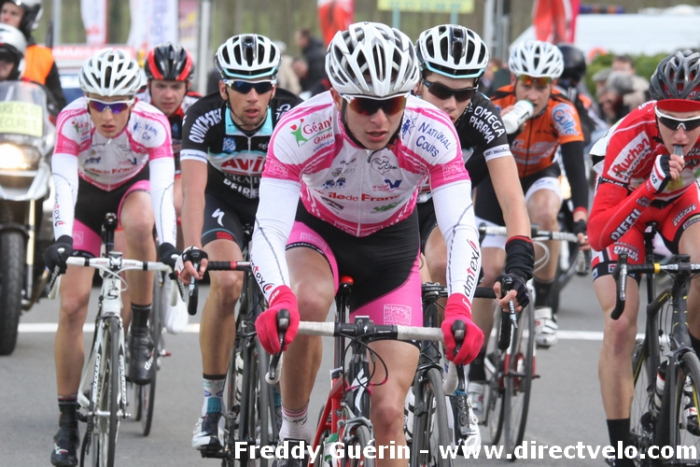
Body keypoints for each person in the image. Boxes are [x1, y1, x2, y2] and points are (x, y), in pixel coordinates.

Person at [244, 21, 512, 466]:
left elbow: (461, 227)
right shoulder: (300, 128)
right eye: (365, 105)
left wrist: (460, 305)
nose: (380, 119)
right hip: (319, 233)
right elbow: (269, 227)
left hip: (391, 247)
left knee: (389, 413)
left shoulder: (431, 131)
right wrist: (277, 296)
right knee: (306, 301)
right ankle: (294, 428)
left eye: (393, 104)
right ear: (337, 96)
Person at [43, 48, 177, 467]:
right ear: (86, 100)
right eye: (98, 104)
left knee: (140, 223)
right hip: (84, 199)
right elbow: (64, 183)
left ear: (133, 102)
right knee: (72, 306)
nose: (106, 115)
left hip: (131, 191)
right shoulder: (72, 120)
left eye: (117, 106)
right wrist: (62, 239)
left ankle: (140, 331)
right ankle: (67, 421)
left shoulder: (152, 123)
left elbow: (163, 192)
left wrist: (168, 244)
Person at [174, 33, 302, 454]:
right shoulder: (203, 116)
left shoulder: (292, 113)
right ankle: (212, 405)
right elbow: (193, 191)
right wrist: (192, 247)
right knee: (227, 285)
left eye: (262, 86)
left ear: (274, 87)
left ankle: (285, 404)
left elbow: (313, 184)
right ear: (223, 87)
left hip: (275, 206)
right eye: (242, 86)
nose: (252, 96)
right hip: (223, 203)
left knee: (294, 293)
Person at [413, 25, 533, 422]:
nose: (451, 104)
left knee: (445, 264)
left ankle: (453, 375)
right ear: (418, 80)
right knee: (410, 278)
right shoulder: (397, 107)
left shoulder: (482, 114)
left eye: (463, 93)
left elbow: (512, 199)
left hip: (441, 205)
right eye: (440, 90)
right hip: (394, 206)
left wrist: (520, 263)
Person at [588, 50, 700, 467]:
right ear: (655, 110)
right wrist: (648, 185)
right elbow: (599, 233)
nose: (681, 134)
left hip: (678, 205)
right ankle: (620, 448)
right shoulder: (631, 134)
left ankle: (684, 373)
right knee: (620, 324)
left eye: (692, 123)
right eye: (670, 121)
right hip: (625, 212)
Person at [474, 40, 589, 357]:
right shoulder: (494, 103)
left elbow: (575, 167)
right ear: (514, 79)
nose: (534, 95)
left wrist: (581, 215)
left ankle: (545, 305)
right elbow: (474, 165)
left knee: (546, 212)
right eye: (527, 84)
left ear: (553, 84)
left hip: (540, 175)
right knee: (489, 274)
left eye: (542, 86)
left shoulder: (562, 110)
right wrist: (504, 128)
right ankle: (477, 365)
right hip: (497, 183)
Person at [134, 42, 200, 333]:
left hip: (178, 171)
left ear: (187, 86)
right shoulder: (134, 104)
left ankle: (179, 276)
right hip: (141, 171)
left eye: (176, 86)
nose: (168, 94)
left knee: (178, 201)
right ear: (148, 84)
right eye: (161, 86)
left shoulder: (197, 109)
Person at [0, 0, 66, 110]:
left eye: (14, 14)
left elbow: (58, 106)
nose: (6, 17)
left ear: (27, 19)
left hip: (27, 118)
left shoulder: (43, 57)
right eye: (3, 11)